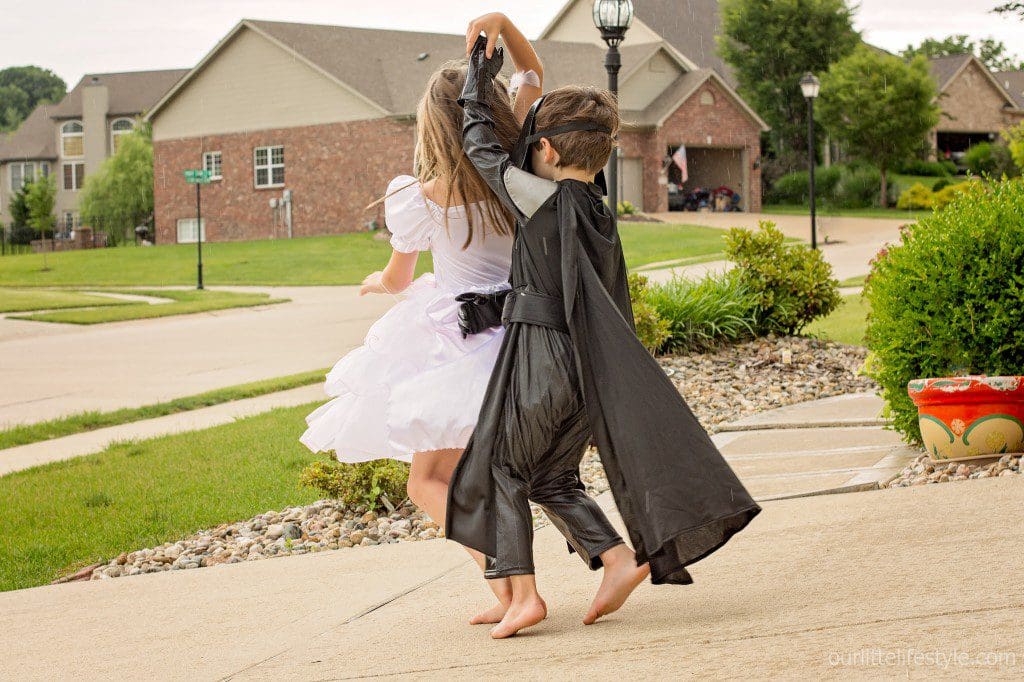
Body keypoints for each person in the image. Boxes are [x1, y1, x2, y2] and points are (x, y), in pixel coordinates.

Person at [446, 37, 761, 639]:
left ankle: (524, 596)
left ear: (543, 148)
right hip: (592, 367)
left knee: (503, 468)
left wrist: (473, 88)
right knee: (551, 478)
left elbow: (482, 148)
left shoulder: (540, 199)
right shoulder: (594, 205)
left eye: (531, 146)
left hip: (544, 358)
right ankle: (617, 559)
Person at [300, 13, 545, 626]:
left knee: (429, 482)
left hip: (462, 348)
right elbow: (533, 74)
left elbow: (399, 279)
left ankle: (520, 591)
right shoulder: (516, 167)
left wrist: (376, 282)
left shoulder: (423, 194)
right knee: (471, 476)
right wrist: (503, 25)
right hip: (521, 337)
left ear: (431, 125)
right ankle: (510, 595)